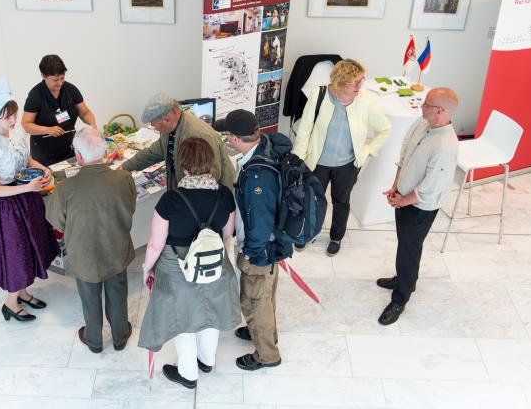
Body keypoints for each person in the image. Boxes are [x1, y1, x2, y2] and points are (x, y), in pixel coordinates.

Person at [138, 137, 240, 389]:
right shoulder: (225, 195)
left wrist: (146, 267)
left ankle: (188, 373)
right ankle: (206, 361)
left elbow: (155, 244)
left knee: (182, 317)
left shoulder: (170, 200)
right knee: (211, 312)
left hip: (177, 265)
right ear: (210, 162)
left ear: (183, 165)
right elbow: (228, 234)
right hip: (213, 263)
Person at [0, 79, 60, 322]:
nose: (14, 121)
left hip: (26, 199)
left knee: (30, 247)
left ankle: (24, 293)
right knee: (16, 253)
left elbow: (26, 161)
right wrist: (28, 186)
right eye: (8, 118)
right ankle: (10, 302)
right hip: (6, 208)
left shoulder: (14, 134)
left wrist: (42, 168)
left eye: (14, 115)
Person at [45, 126, 137, 353]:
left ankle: (94, 339)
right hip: (116, 248)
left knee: (89, 297)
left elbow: (57, 223)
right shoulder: (124, 178)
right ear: (105, 153)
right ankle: (120, 335)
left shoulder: (65, 189)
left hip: (84, 253)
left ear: (78, 156)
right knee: (118, 292)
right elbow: (131, 206)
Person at [214, 109, 291, 371]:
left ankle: (267, 354)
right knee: (265, 295)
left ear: (235, 138)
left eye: (227, 134)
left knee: (256, 299)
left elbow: (260, 221)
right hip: (271, 244)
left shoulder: (258, 176)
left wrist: (250, 253)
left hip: (261, 249)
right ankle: (261, 331)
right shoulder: (265, 147)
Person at [377, 87, 459, 325]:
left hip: (419, 206)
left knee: (409, 250)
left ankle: (401, 297)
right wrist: (396, 187)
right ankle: (405, 279)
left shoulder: (445, 146)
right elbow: (405, 155)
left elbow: (429, 189)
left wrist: (402, 200)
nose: (421, 107)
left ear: (441, 111)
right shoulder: (422, 125)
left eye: (426, 105)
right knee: (404, 243)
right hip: (404, 197)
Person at [293, 59, 391, 256]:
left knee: (341, 202)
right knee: (310, 201)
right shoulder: (318, 94)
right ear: (340, 82)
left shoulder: (364, 101)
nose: (359, 86)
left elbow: (384, 128)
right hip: (317, 163)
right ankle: (305, 233)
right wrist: (298, 159)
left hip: (346, 166)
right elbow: (304, 130)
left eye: (361, 81)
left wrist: (367, 151)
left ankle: (336, 237)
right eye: (355, 82)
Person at [121, 93, 235, 190]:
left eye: (153, 122)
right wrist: (125, 167)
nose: (152, 126)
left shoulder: (197, 135)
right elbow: (154, 152)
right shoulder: (170, 129)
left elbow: (211, 176)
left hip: (209, 198)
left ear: (166, 119)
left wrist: (182, 201)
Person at [22, 54, 96, 166]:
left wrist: (93, 126)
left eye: (62, 78)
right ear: (43, 75)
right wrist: (47, 130)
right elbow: (26, 124)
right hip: (45, 154)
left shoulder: (70, 90)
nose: (60, 83)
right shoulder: (36, 95)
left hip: (69, 148)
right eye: (55, 80)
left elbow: (85, 112)